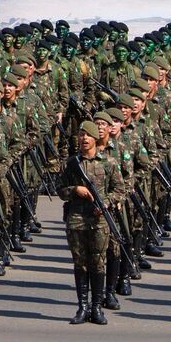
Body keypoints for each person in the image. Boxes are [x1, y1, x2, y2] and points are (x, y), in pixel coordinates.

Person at [59, 120, 117, 325]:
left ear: (95, 138)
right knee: (80, 263)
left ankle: (97, 307)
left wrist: (106, 203)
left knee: (98, 263)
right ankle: (83, 306)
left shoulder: (108, 162)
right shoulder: (72, 163)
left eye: (88, 135)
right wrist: (75, 190)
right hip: (77, 219)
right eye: (81, 135)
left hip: (99, 220)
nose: (84, 138)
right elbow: (60, 190)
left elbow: (119, 189)